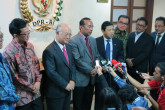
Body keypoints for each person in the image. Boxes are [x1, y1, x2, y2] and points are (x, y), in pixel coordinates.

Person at [3, 18, 42, 110]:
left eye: (29, 32)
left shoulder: (30, 46)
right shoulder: (8, 52)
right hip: (23, 98)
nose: (28, 36)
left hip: (36, 94)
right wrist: (32, 87)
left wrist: (38, 81)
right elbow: (14, 77)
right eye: (25, 34)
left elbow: (36, 65)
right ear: (15, 35)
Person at [42, 23, 76, 110]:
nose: (68, 37)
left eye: (70, 34)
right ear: (57, 33)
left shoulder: (68, 47)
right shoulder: (49, 50)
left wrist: (72, 80)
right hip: (55, 92)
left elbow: (72, 65)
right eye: (66, 34)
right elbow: (51, 72)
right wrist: (65, 84)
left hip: (67, 90)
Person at [69, 17, 99, 110]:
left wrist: (97, 67)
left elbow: (97, 55)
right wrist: (91, 70)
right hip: (80, 79)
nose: (91, 29)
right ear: (81, 27)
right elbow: (77, 60)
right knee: (78, 105)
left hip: (92, 79)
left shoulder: (93, 40)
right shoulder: (73, 41)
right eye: (89, 26)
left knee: (88, 104)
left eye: (92, 26)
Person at [95, 21, 124, 110]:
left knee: (114, 96)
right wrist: (100, 66)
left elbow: (121, 56)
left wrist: (117, 65)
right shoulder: (96, 41)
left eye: (113, 29)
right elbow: (95, 56)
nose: (112, 32)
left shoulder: (118, 42)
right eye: (109, 30)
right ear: (103, 31)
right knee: (101, 96)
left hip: (114, 73)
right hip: (101, 73)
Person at [126, 17, 154, 84]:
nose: (139, 27)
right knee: (128, 88)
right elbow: (126, 49)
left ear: (146, 27)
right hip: (129, 68)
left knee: (139, 89)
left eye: (142, 26)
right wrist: (127, 59)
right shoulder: (130, 35)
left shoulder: (149, 38)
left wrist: (132, 62)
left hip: (140, 68)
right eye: (138, 24)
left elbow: (145, 54)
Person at [0, 31, 20, 110]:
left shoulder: (0, 56)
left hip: (9, 104)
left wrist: (13, 98)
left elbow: (8, 79)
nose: (1, 39)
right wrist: (15, 98)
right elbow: (1, 91)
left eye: (1, 36)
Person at [149, 16, 165, 101]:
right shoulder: (152, 35)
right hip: (152, 68)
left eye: (159, 26)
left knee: (161, 92)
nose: (157, 28)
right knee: (152, 89)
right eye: (155, 26)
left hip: (162, 71)